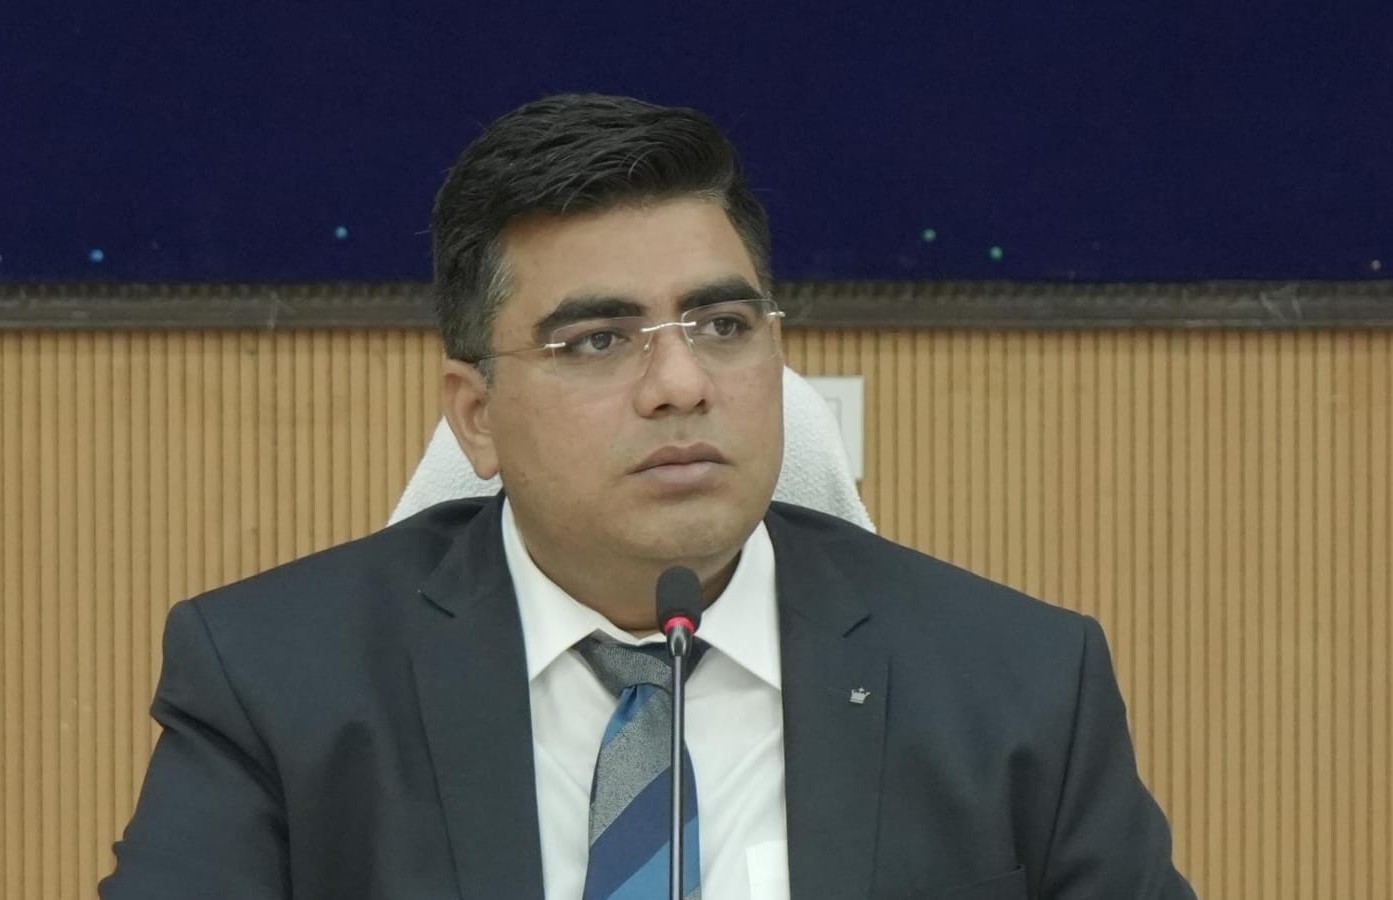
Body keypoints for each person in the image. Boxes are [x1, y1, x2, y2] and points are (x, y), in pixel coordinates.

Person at [101, 93, 1196, 899]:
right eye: (597, 339)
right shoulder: (277, 685)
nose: (680, 384)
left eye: (722, 326)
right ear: (475, 415)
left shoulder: (1019, 685)